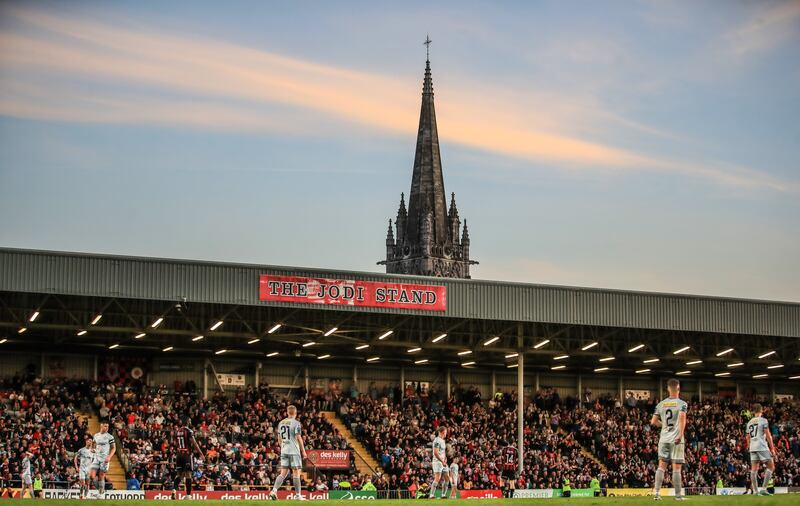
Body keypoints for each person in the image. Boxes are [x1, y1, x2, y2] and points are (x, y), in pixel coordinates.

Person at [651, 379, 688, 501]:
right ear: (678, 388)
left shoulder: (660, 404)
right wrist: (680, 434)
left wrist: (665, 426)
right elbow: (682, 419)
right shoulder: (682, 404)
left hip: (664, 439)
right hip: (676, 439)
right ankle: (678, 496)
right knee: (676, 468)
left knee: (661, 467)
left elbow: (653, 422)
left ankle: (656, 493)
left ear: (667, 389)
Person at [270, 405, 308, 500]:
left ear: (287, 412)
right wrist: (303, 451)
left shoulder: (281, 423)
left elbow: (279, 439)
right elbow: (299, 438)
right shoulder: (296, 423)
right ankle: (298, 495)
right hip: (294, 451)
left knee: (283, 473)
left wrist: (282, 447)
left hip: (284, 450)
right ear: (295, 413)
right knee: (296, 473)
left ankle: (274, 491)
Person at [746, 403, 777, 496]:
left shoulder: (749, 422)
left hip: (752, 447)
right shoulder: (763, 420)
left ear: (753, 412)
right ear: (761, 411)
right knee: (771, 466)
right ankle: (763, 489)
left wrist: (749, 447)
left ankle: (755, 492)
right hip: (761, 446)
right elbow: (768, 435)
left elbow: (747, 437)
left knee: (754, 469)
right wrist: (772, 448)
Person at [171, 417, 204, 500]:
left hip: (179, 455)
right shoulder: (189, 431)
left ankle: (174, 489)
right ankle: (188, 495)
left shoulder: (177, 431)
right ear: (187, 422)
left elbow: (174, 443)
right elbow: (194, 443)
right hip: (187, 455)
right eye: (189, 421)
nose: (190, 422)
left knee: (179, 474)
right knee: (188, 474)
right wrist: (201, 454)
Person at [90, 420, 116, 498]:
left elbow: (113, 448)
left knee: (101, 476)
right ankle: (101, 491)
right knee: (92, 476)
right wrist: (92, 449)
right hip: (96, 458)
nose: (107, 428)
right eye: (105, 426)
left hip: (104, 459)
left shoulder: (110, 437)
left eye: (107, 426)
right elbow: (93, 445)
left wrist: (109, 457)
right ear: (101, 426)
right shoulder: (96, 435)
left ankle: (101, 494)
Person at [429, 426, 449, 499]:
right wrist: (442, 461)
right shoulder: (437, 440)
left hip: (443, 462)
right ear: (442, 432)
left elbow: (443, 452)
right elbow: (436, 453)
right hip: (437, 462)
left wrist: (445, 459)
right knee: (437, 478)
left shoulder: (443, 440)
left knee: (447, 478)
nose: (446, 433)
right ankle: (431, 495)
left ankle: (443, 495)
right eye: (445, 432)